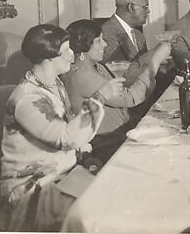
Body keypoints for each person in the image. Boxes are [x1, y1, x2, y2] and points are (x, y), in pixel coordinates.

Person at [0, 24, 122, 231]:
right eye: (66, 51)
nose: (72, 54)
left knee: (118, 190)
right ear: (49, 58)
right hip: (33, 188)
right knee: (104, 208)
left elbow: (69, 131)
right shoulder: (26, 99)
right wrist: (100, 97)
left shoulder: (54, 85)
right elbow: (66, 138)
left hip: (63, 174)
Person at [63, 19, 169, 162]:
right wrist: (155, 62)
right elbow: (130, 97)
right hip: (106, 142)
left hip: (120, 131)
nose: (105, 44)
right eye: (99, 40)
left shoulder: (95, 66)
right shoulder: (80, 75)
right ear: (83, 47)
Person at [101, 0, 174, 126]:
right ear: (131, 7)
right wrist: (155, 53)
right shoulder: (106, 34)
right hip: (124, 113)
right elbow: (119, 79)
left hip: (143, 103)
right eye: (145, 7)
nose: (148, 11)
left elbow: (145, 73)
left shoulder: (138, 35)